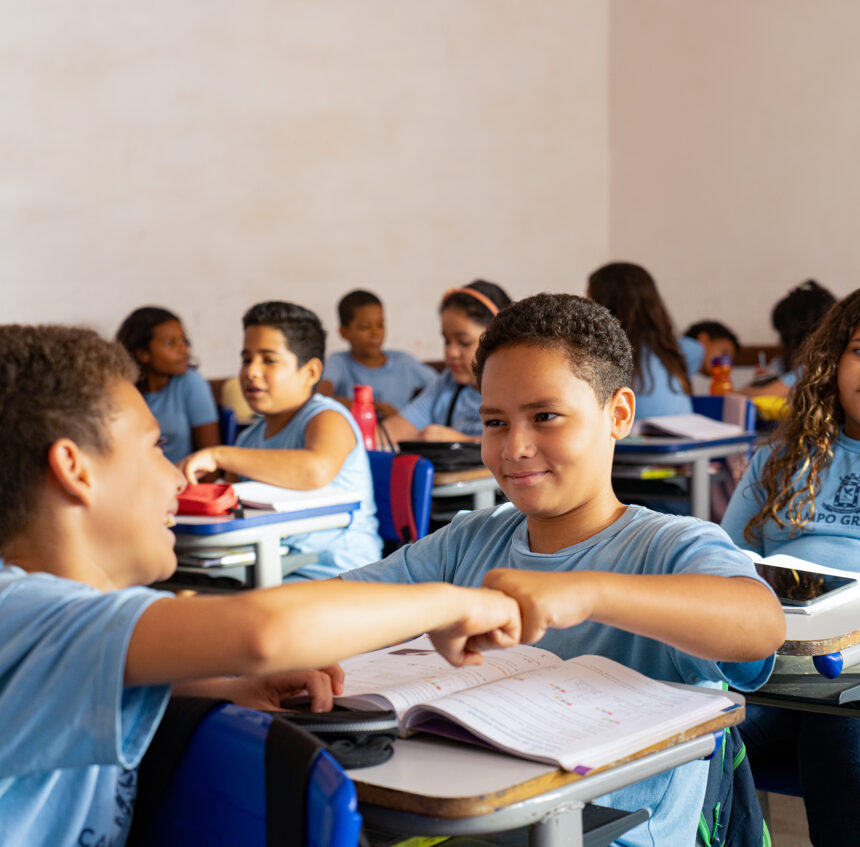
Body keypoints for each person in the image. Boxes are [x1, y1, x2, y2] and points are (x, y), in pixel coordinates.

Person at [0, 323, 522, 847]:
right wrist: (453, 601)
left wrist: (227, 689)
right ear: (76, 468)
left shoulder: (47, 630)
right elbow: (264, 632)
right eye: (155, 448)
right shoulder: (22, 612)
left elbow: (89, 677)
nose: (178, 479)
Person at [343, 293, 784, 847]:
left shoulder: (670, 545)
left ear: (618, 414)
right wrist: (295, 655)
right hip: (486, 819)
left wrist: (587, 593)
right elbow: (345, 599)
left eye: (545, 416)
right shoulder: (470, 540)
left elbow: (759, 625)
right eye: (495, 422)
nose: (515, 447)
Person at [721, 288, 860, 846]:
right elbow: (719, 562)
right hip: (771, 667)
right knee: (690, 734)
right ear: (834, 363)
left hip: (851, 682)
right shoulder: (780, 460)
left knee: (839, 736)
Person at [179, 301, 382, 578]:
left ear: (310, 372)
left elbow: (315, 470)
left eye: (269, 359)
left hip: (339, 574)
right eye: (246, 359)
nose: (251, 371)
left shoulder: (327, 418)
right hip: (270, 569)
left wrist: (219, 455)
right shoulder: (250, 437)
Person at [381, 280, 512, 443]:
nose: (451, 352)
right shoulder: (446, 385)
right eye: (447, 341)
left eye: (464, 342)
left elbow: (524, 445)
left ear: (498, 339)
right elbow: (386, 434)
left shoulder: (519, 389)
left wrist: (462, 442)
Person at [587, 262, 700, 418]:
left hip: (630, 440)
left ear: (603, 306)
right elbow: (699, 350)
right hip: (686, 438)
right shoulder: (673, 350)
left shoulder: (601, 355)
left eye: (590, 300)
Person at [116, 307, 219, 465]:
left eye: (183, 341)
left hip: (185, 482)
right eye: (170, 343)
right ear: (143, 354)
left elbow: (212, 458)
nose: (183, 349)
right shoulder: (123, 389)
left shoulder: (191, 382)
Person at [318, 289, 438, 418]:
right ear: (344, 332)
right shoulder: (338, 362)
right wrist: (372, 408)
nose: (375, 333)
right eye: (364, 327)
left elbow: (443, 389)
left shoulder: (404, 362)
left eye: (380, 325)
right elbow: (320, 396)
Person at [740, 280, 837, 398]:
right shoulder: (780, 363)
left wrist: (760, 387)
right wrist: (766, 380)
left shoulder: (813, 367)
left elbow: (763, 395)